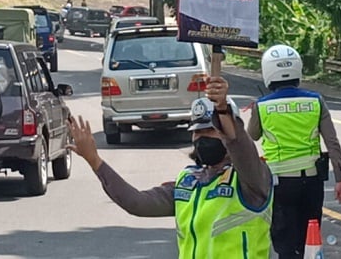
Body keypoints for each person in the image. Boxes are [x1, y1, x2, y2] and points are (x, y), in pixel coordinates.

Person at [70, 77, 273, 258]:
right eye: (198, 132)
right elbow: (137, 202)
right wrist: (95, 161)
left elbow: (239, 145)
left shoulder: (251, 179)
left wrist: (222, 110)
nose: (202, 138)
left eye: (211, 131)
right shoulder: (189, 183)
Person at [248, 44, 341, 259]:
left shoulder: (262, 106)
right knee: (310, 241)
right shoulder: (315, 101)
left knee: (285, 244)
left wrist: (255, 112)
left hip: (279, 185)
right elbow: (333, 143)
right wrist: (340, 179)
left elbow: (252, 136)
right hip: (312, 184)